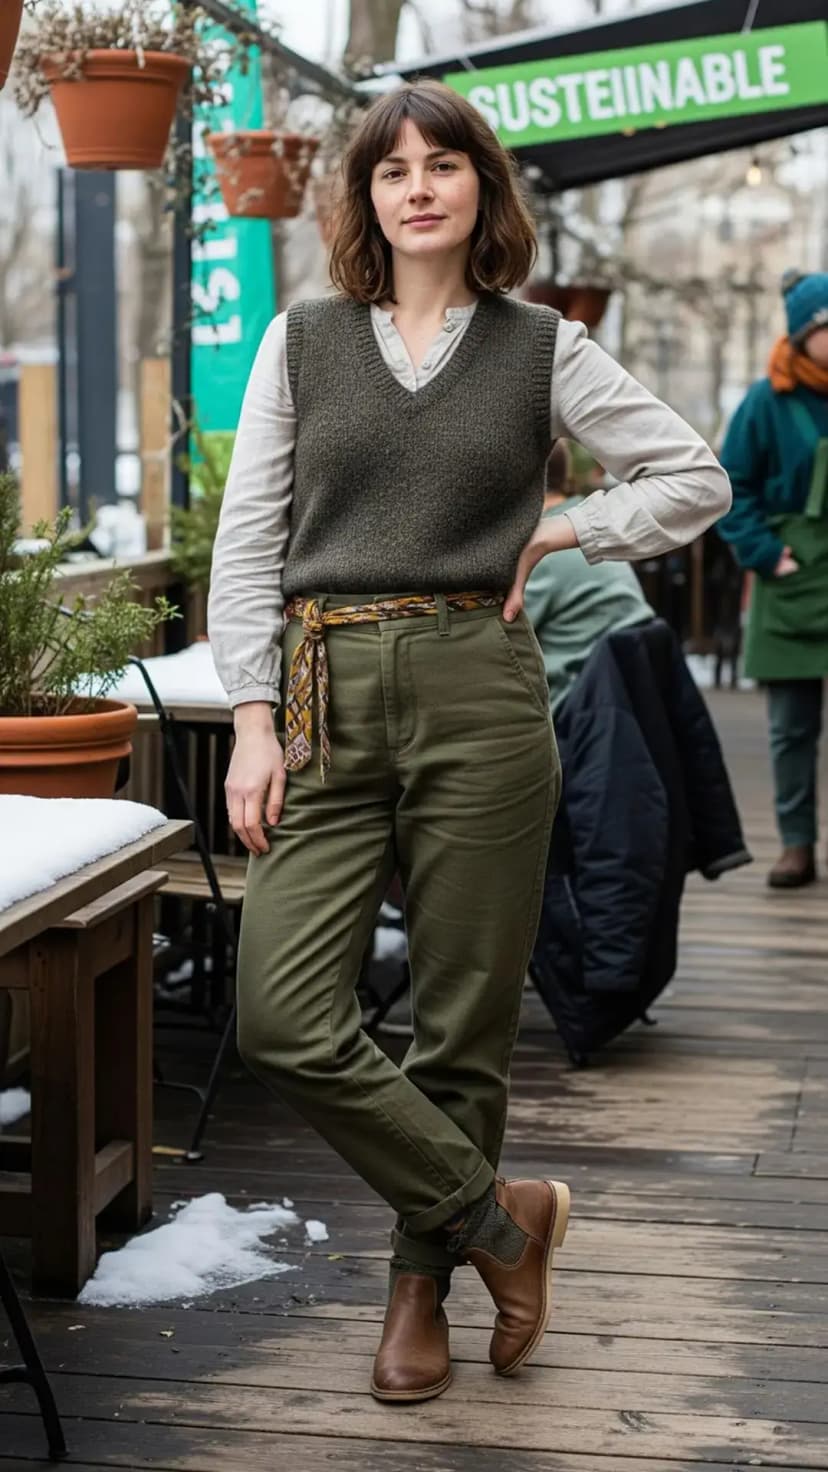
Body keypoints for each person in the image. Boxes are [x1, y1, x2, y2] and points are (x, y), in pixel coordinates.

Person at [207, 79, 731, 1405]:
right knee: (280, 1014)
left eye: (446, 166)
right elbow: (248, 544)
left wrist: (568, 528)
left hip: (482, 691)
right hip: (323, 690)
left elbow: (694, 477)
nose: (420, 186)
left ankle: (415, 1291)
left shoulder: (540, 347)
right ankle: (503, 1224)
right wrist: (252, 726)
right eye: (394, 171)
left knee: (462, 1025)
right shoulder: (302, 339)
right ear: (367, 198)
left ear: (482, 193)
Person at [718, 271, 828, 889]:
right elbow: (729, 487)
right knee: (791, 727)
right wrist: (767, 554)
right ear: (805, 334)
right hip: (790, 576)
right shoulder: (767, 401)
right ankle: (796, 846)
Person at [524, 439, 656, 710]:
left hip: (570, 705)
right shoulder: (588, 524)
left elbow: (497, 634)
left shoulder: (541, 549)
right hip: (620, 700)